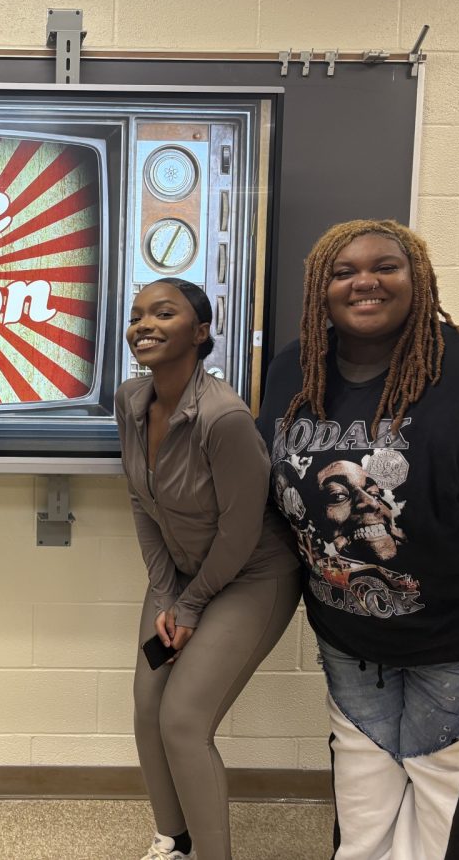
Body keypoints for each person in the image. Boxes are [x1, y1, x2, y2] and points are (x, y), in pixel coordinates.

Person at [256, 219, 459, 860]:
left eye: (386, 266)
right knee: (364, 825)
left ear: (419, 278)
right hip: (353, 646)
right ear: (321, 287)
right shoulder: (295, 368)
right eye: (343, 271)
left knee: (445, 829)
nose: (364, 281)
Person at [118, 278, 301, 860]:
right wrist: (169, 593)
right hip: (177, 576)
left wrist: (192, 605)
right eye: (137, 315)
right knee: (149, 711)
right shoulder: (130, 400)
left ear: (199, 334)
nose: (144, 324)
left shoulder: (224, 418)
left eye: (163, 314)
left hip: (251, 576)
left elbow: (241, 531)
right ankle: (174, 842)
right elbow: (139, 501)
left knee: (184, 719)